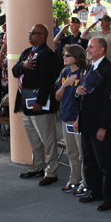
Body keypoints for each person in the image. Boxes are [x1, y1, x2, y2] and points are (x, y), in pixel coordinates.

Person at [13, 24, 61, 186]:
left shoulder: (48, 54)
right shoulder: (27, 53)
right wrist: (24, 66)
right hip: (26, 101)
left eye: (32, 32)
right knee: (34, 138)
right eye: (29, 31)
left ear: (42, 36)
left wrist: (40, 102)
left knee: (48, 139)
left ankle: (52, 171)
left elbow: (47, 81)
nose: (29, 35)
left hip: (41, 104)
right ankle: (37, 166)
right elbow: (14, 71)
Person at [75, 37, 111, 210]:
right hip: (87, 122)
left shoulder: (110, 70)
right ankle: (95, 191)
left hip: (101, 125)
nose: (88, 50)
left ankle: (110, 197)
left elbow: (109, 103)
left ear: (101, 50)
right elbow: (84, 95)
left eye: (91, 47)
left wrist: (103, 127)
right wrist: (78, 92)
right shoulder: (88, 68)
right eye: (88, 47)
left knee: (106, 162)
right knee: (89, 159)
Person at [55, 44, 88, 193]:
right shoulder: (65, 72)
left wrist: (79, 118)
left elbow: (86, 100)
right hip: (66, 116)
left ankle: (85, 182)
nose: (64, 57)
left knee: (82, 153)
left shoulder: (85, 73)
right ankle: (74, 179)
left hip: (78, 118)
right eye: (64, 55)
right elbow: (58, 96)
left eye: (67, 55)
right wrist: (65, 85)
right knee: (71, 152)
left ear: (76, 57)